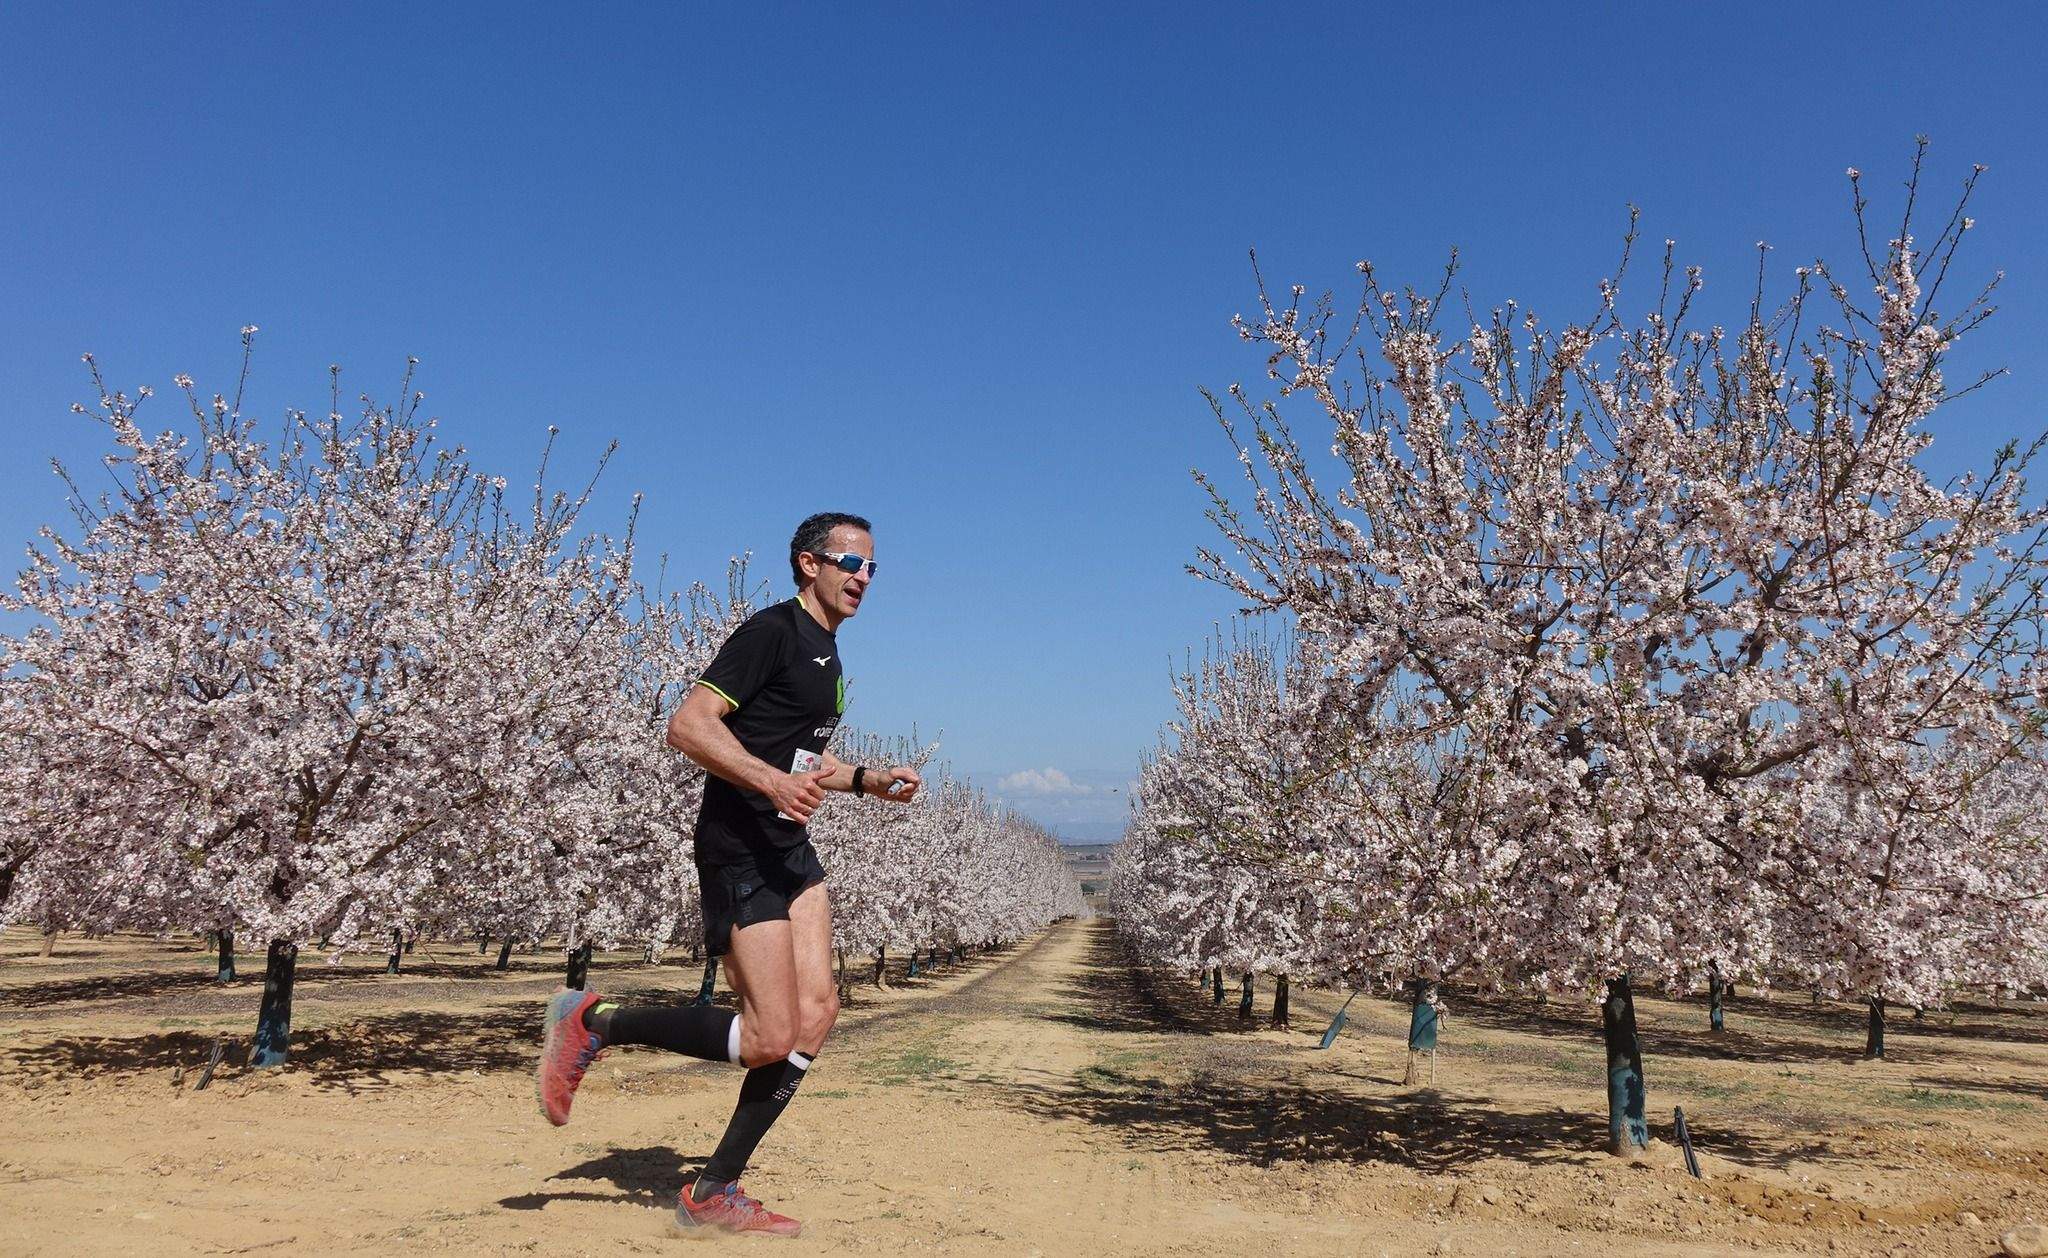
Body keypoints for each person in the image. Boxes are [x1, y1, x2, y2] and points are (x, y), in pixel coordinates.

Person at [535, 512, 922, 1238]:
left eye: (873, 567)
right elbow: (689, 724)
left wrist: (867, 779)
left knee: (819, 1013)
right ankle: (595, 1025)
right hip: (738, 845)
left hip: (789, 850)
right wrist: (769, 785)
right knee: (772, 1035)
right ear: (809, 563)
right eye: (850, 561)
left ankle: (713, 1189)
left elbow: (800, 759)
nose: (863, 577)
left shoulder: (827, 658)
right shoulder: (771, 632)